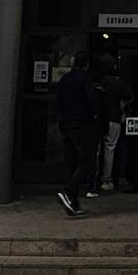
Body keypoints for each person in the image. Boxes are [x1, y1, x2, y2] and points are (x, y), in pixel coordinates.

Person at [56, 52, 101, 217]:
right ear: (87, 64)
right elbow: (92, 100)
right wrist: (95, 115)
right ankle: (70, 191)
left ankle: (73, 201)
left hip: (66, 125)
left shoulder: (64, 80)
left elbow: (58, 101)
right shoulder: (85, 79)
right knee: (87, 160)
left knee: (73, 161)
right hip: (82, 125)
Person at [94, 54, 133, 192]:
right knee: (110, 148)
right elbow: (129, 95)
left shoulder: (95, 80)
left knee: (96, 149)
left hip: (97, 118)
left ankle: (93, 179)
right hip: (113, 117)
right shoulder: (116, 82)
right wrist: (122, 106)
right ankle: (107, 179)